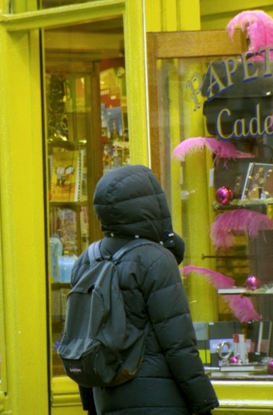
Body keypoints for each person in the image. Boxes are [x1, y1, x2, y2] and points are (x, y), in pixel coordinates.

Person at [71, 165, 219, 415]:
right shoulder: (156, 259)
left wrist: (90, 403)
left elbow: (81, 339)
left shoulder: (87, 259)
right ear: (151, 206)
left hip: (106, 398)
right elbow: (178, 344)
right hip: (161, 401)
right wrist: (203, 402)